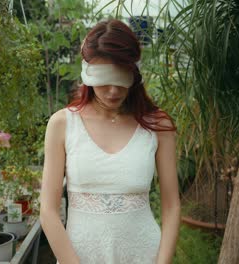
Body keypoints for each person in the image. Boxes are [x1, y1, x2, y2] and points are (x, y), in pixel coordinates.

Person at [40, 19, 181, 264]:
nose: (113, 90)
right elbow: (48, 211)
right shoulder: (62, 124)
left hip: (145, 256)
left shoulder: (158, 126)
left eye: (121, 78)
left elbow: (172, 206)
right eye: (104, 79)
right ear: (87, 73)